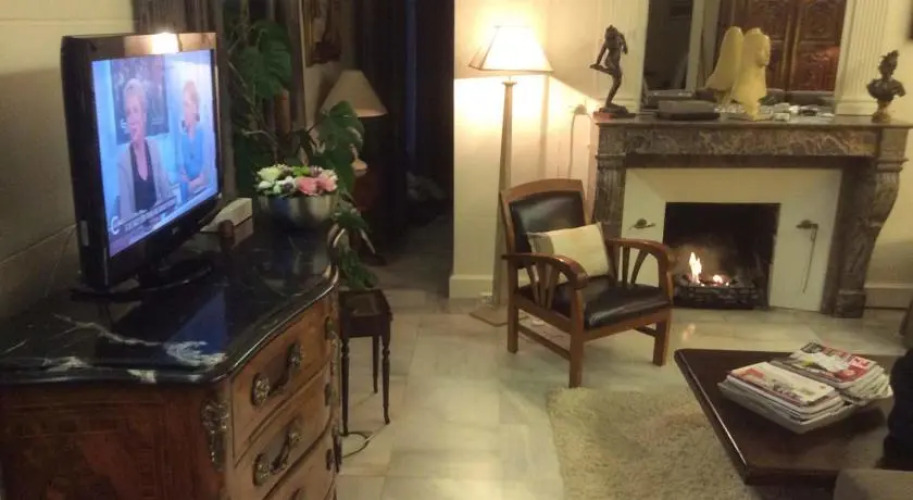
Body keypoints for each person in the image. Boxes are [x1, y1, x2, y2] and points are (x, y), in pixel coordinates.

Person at [117, 78, 171, 222]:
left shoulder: (154, 148)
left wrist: (163, 207)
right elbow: (126, 217)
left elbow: (169, 197)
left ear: (144, 116)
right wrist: (149, 216)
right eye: (128, 113)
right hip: (139, 235)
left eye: (136, 111)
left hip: (161, 227)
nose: (132, 119)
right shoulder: (123, 162)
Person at [178, 80, 209, 201]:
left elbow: (206, 178)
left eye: (187, 105)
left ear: (195, 108)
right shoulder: (182, 139)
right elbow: (182, 177)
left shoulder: (204, 134)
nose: (184, 110)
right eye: (183, 105)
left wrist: (191, 185)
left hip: (205, 197)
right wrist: (192, 184)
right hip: (187, 201)